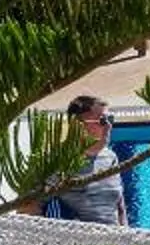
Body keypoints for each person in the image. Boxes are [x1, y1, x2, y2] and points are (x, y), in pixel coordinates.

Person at [53, 94, 131, 227]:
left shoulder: (110, 158)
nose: (108, 127)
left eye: (110, 119)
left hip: (113, 237)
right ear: (77, 125)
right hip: (75, 237)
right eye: (102, 121)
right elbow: (31, 206)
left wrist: (125, 233)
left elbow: (119, 206)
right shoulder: (57, 159)